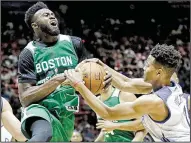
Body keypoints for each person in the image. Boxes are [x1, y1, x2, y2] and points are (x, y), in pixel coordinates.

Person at [17, 1, 108, 142]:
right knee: (43, 135)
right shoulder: (28, 53)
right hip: (39, 110)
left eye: (52, 14)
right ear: (35, 25)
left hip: (66, 113)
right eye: (45, 15)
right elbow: (25, 98)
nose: (51, 17)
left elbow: (89, 78)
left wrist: (103, 83)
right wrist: (58, 79)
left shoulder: (74, 43)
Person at [64, 44, 190, 141]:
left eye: (147, 65)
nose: (143, 67)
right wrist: (102, 66)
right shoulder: (171, 84)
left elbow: (108, 113)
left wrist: (78, 85)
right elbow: (126, 83)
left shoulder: (153, 101)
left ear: (158, 72)